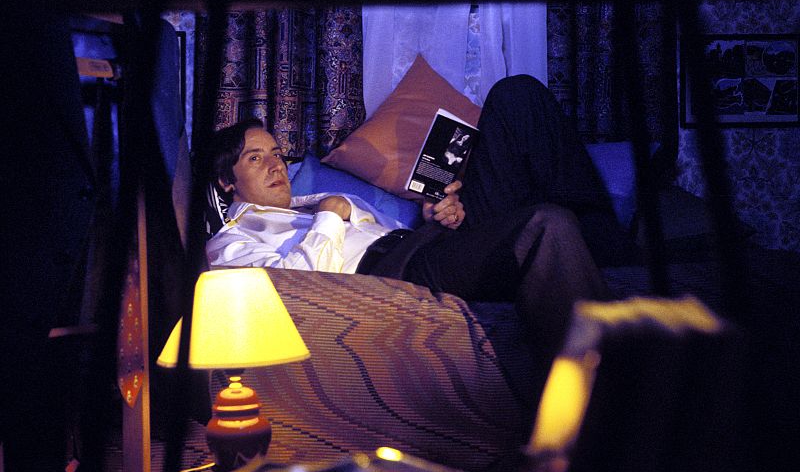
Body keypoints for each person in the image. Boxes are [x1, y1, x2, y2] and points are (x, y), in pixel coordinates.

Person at [206, 75, 626, 360]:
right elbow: (289, 292)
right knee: (546, 224)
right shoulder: (231, 241)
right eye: (255, 158)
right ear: (226, 181)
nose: (276, 166)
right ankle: (612, 383)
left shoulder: (309, 200)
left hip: (425, 243)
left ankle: (611, 243)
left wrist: (439, 217)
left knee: (517, 96)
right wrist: (330, 218)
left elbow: (392, 232)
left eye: (277, 154)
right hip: (392, 273)